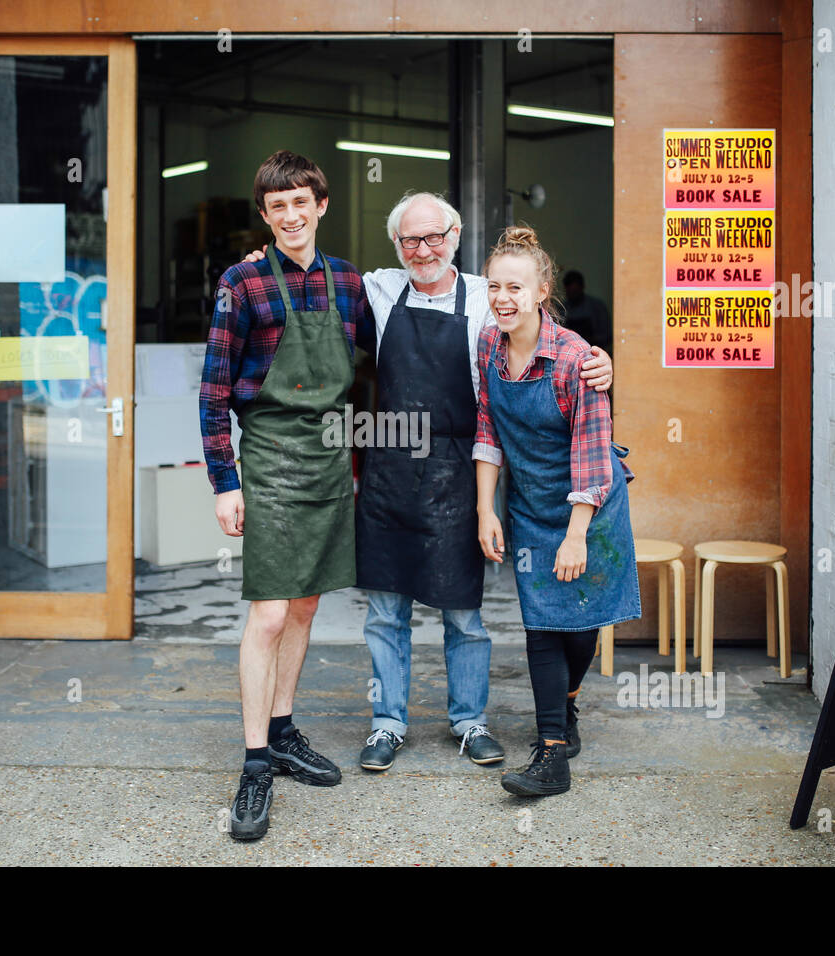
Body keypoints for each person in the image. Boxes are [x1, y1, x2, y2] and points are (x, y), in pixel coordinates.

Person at [244, 192, 613, 772]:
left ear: (456, 233)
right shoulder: (379, 288)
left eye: (434, 236)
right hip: (389, 469)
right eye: (410, 240)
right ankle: (387, 723)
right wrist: (267, 261)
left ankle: (470, 721)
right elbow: (313, 278)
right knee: (385, 611)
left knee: (463, 612)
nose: (424, 250)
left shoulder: (487, 299)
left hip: (459, 473)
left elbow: (539, 334)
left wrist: (597, 360)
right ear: (396, 246)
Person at [199, 150, 374, 841]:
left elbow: (401, 343)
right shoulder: (240, 284)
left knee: (305, 605)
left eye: (302, 202)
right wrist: (224, 480)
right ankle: (252, 764)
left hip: (331, 460)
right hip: (268, 458)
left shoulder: (350, 283)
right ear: (266, 216)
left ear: (321, 205)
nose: (292, 215)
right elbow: (214, 389)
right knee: (269, 613)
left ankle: (282, 729)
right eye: (278, 208)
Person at [473, 225, 640, 797]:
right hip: (529, 505)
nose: (503, 298)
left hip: (592, 505)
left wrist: (576, 535)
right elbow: (488, 428)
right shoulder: (487, 348)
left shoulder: (575, 361)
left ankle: (567, 704)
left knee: (581, 622)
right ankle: (551, 754)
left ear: (542, 290)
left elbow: (593, 456)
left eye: (515, 287)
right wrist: (485, 509)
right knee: (542, 622)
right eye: (495, 286)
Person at [561, 270, 613, 357]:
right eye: (570, 292)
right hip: (569, 355)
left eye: (575, 292)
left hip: (595, 354)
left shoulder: (597, 307)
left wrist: (589, 340)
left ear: (582, 288)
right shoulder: (562, 308)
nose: (573, 296)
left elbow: (608, 336)